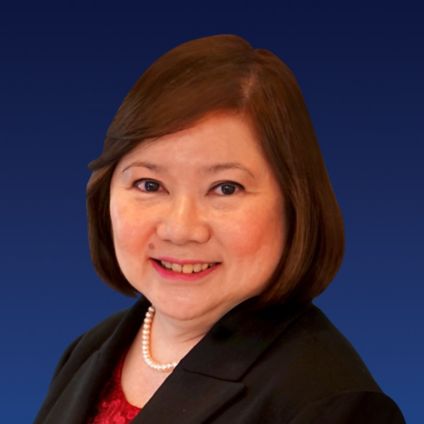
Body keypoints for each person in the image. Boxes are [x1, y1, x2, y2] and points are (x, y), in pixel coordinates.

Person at [34, 34, 405, 423]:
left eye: (226, 188)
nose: (181, 229)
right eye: (149, 185)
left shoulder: (332, 404)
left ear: (294, 203)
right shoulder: (89, 352)